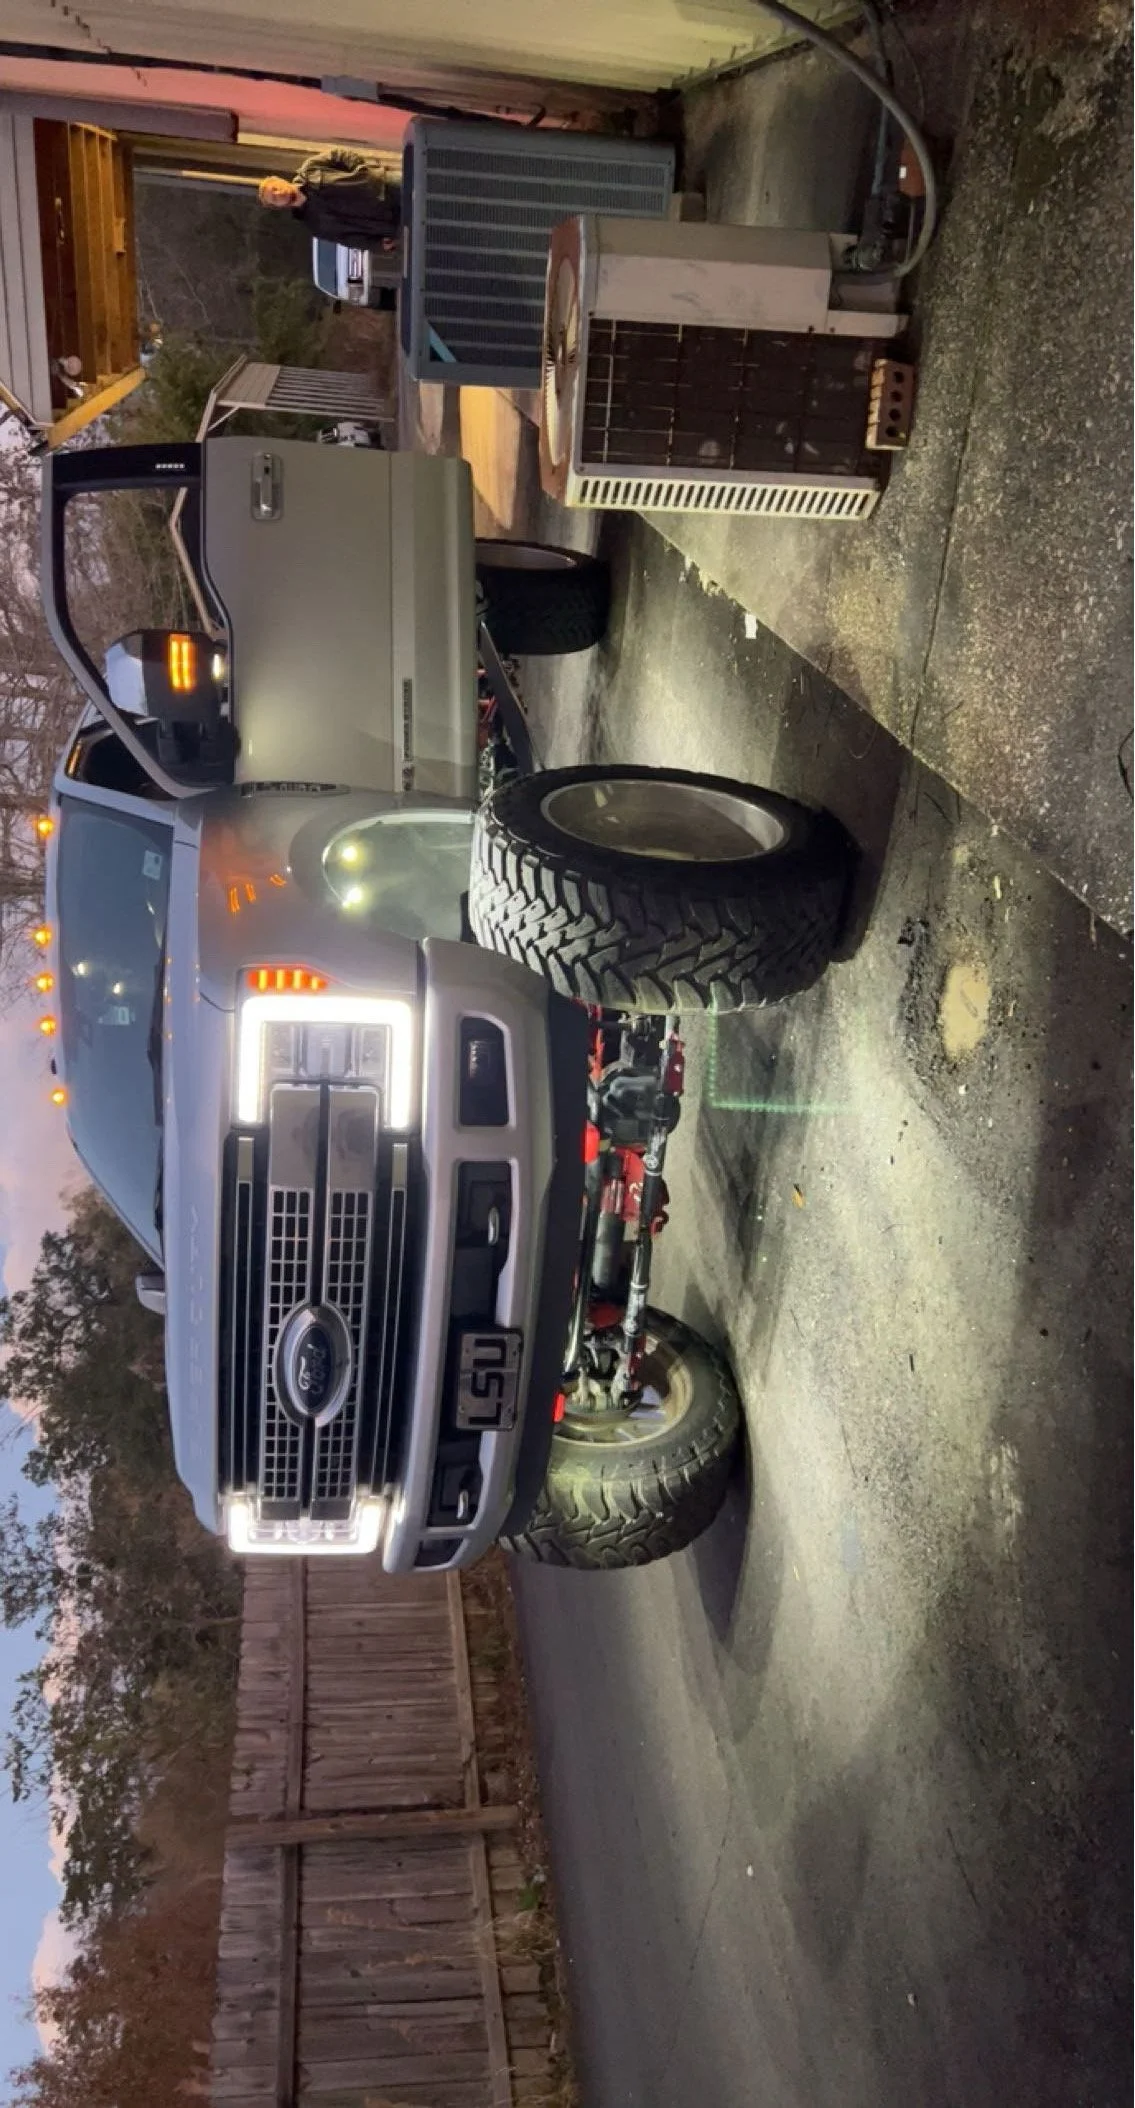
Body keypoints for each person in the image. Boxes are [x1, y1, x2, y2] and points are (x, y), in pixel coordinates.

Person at [258, 148, 402, 252]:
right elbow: (346, 239)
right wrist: (376, 245)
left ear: (280, 180)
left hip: (386, 186)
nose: (279, 194)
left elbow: (339, 154)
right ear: (278, 206)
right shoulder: (314, 226)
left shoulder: (310, 168)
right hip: (389, 222)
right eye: (275, 198)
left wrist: (362, 170)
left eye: (275, 188)